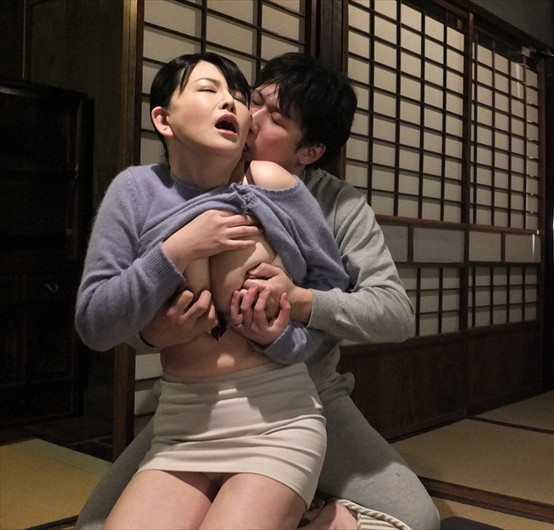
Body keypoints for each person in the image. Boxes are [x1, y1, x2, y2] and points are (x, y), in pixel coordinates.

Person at [75, 53, 440, 530]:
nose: (247, 113)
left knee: (417, 519)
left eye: (276, 118)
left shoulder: (335, 203)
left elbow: (394, 312)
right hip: (190, 406)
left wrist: (299, 301)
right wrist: (150, 334)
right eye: (254, 100)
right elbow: (108, 314)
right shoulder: (161, 183)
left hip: (301, 392)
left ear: (309, 151)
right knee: (94, 523)